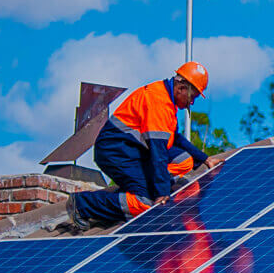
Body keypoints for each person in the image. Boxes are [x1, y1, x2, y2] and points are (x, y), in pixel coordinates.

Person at [66, 62, 225, 229]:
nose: (191, 103)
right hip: (115, 152)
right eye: (193, 97)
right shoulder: (158, 102)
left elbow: (175, 138)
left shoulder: (167, 99)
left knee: (185, 160)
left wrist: (205, 159)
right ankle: (83, 205)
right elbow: (159, 154)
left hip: (135, 151)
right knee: (147, 204)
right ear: (181, 88)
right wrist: (161, 194)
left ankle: (143, 186)